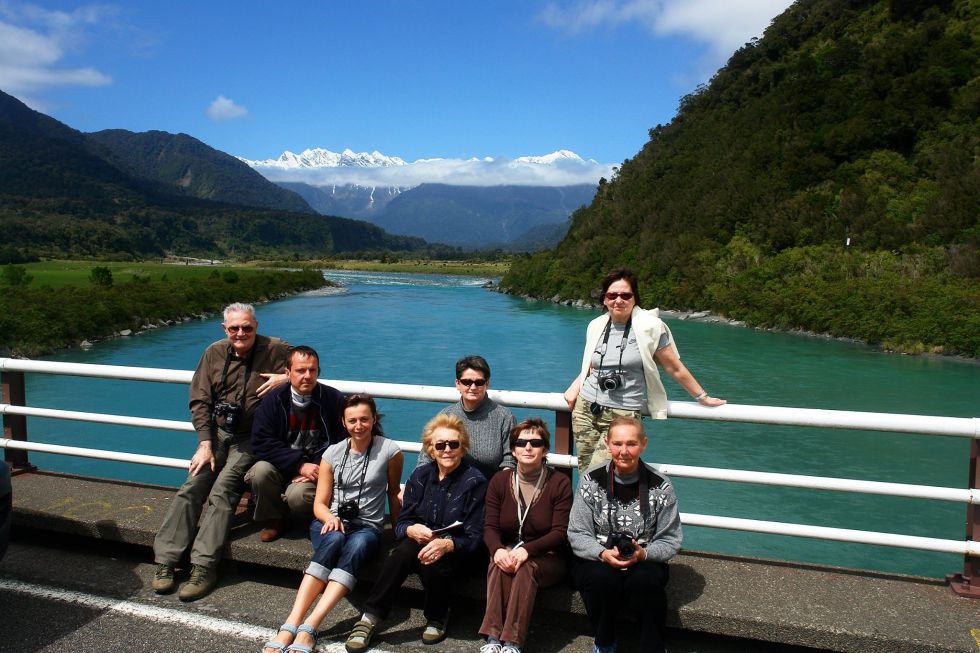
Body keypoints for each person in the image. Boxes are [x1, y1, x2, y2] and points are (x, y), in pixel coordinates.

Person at [152, 302, 290, 601]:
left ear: (256, 326)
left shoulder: (276, 349)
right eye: (234, 328)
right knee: (193, 485)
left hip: (252, 438)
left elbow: (309, 369)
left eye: (247, 327)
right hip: (217, 435)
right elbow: (199, 400)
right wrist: (204, 443)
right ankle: (166, 560)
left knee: (223, 490)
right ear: (224, 328)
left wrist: (287, 377)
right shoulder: (213, 353)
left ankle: (203, 566)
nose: (241, 333)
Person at [262, 394, 404, 653]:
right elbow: (319, 503)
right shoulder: (332, 453)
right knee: (336, 538)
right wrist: (330, 518)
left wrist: (398, 531)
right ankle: (291, 622)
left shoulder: (390, 451)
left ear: (374, 420)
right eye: (352, 421)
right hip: (330, 523)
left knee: (358, 543)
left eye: (364, 419)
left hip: (367, 527)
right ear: (343, 422)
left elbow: (393, 492)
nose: (358, 426)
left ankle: (310, 626)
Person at [345, 413, 488, 652]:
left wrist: (448, 544)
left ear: (463, 447)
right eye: (440, 445)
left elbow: (476, 536)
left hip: (459, 551)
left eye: (453, 444)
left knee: (434, 560)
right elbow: (402, 522)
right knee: (400, 554)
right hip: (423, 540)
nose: (447, 450)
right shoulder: (420, 476)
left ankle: (437, 616)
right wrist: (411, 528)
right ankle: (370, 616)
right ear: (431, 450)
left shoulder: (475, 481)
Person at [563, 267, 725, 473]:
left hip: (623, 415)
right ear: (604, 300)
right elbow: (592, 364)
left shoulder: (650, 328)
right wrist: (575, 387)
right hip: (585, 410)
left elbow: (674, 367)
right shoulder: (596, 325)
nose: (618, 300)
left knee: (599, 474)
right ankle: (590, 506)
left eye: (625, 295)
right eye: (612, 295)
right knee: (586, 472)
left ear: (634, 299)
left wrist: (702, 396)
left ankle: (591, 506)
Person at [568, 417, 682, 653]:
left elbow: (671, 539)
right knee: (601, 579)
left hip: (643, 556)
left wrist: (644, 553)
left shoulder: (661, 486)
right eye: (617, 444)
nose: (624, 451)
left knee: (646, 580)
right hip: (599, 555)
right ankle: (604, 642)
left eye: (631, 444)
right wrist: (601, 552)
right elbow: (577, 532)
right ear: (607, 444)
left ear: (644, 444)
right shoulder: (590, 480)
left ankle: (652, 647)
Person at [478, 418, 572, 653]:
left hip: (548, 556)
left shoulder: (559, 483)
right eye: (521, 443)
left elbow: (559, 533)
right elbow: (489, 527)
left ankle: (512, 642)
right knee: (498, 563)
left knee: (525, 567)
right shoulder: (500, 481)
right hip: (509, 548)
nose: (528, 448)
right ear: (513, 450)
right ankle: (492, 638)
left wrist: (526, 551)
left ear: (545, 449)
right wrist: (498, 549)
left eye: (535, 443)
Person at [248, 345, 346, 542]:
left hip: (316, 470)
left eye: (313, 370)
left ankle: (310, 519)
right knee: (259, 472)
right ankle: (274, 519)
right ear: (287, 373)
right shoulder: (273, 400)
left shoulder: (332, 399)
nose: (307, 376)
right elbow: (260, 443)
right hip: (283, 466)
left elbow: (342, 441)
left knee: (298, 497)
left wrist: (319, 466)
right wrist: (299, 464)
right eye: (300, 370)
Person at [416, 355, 515, 481]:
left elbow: (510, 462)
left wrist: (498, 491)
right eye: (467, 382)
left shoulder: (503, 417)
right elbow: (426, 458)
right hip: (449, 490)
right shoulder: (446, 416)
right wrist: (414, 484)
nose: (473, 387)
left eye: (479, 382)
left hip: (489, 492)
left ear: (487, 383)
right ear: (457, 383)